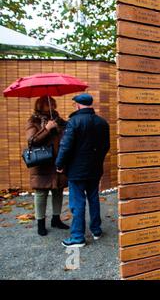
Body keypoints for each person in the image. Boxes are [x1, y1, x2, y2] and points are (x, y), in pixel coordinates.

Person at [55, 93, 110, 247]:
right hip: (95, 169)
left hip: (77, 171)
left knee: (77, 202)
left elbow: (65, 146)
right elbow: (106, 147)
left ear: (78, 105)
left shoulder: (74, 122)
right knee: (93, 198)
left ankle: (78, 237)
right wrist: (97, 160)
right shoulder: (102, 122)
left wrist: (59, 164)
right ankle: (96, 230)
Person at [25, 96, 70, 236]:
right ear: (40, 105)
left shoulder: (58, 119)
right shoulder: (33, 121)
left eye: (52, 103)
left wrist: (59, 128)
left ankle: (56, 219)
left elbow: (67, 135)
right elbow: (32, 141)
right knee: (41, 193)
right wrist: (47, 128)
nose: (51, 106)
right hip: (42, 163)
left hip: (57, 161)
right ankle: (40, 223)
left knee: (58, 190)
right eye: (47, 103)